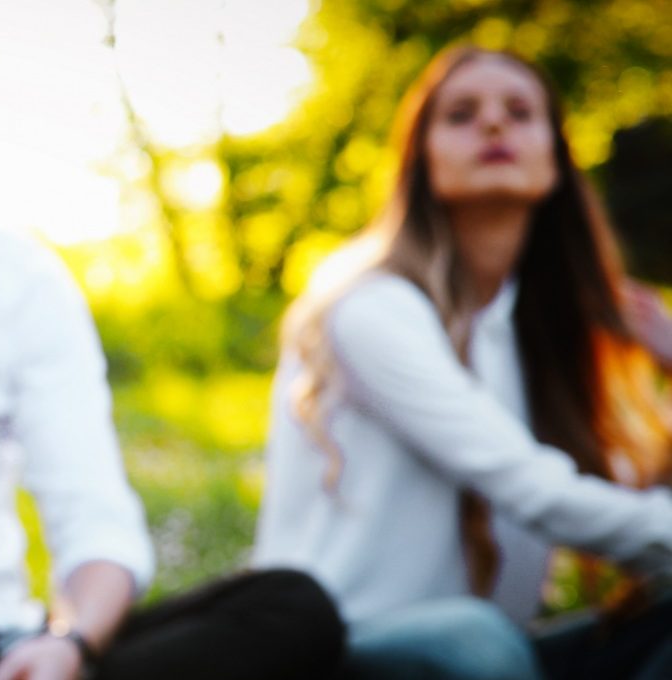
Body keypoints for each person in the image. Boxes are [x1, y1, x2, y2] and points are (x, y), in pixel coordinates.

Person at [0, 1, 344, 678]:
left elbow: (95, 522)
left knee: (290, 608)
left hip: (1, 655)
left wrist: (68, 645)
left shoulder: (21, 277)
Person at [253, 46, 672, 680]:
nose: (494, 125)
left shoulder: (534, 333)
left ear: (556, 157)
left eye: (519, 111)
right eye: (462, 114)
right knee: (473, 639)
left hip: (496, 656)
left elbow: (622, 503)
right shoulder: (370, 308)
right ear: (420, 158)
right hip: (345, 651)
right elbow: (534, 489)